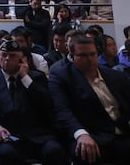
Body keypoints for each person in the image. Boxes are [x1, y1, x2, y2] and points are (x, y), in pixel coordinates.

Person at [0, 38, 67, 165]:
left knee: (55, 150)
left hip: (39, 135)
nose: (7, 59)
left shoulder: (36, 77)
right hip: (9, 136)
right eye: (4, 55)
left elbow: (47, 104)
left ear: (22, 60)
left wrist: (25, 77)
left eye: (12, 56)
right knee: (6, 154)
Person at [49, 34, 130, 164]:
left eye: (93, 54)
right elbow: (62, 110)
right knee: (83, 152)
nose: (90, 59)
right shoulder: (62, 77)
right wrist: (81, 133)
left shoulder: (114, 75)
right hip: (92, 133)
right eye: (83, 55)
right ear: (72, 56)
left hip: (123, 129)